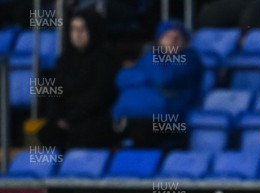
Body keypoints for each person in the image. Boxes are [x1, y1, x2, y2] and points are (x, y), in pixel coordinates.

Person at [113, 19, 203, 149]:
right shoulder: (155, 57)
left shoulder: (189, 59)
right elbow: (122, 78)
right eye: (167, 36)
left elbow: (164, 78)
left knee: (143, 131)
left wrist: (150, 62)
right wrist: (149, 78)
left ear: (186, 42)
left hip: (176, 122)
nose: (172, 41)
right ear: (160, 39)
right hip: (143, 115)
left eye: (177, 37)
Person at [38, 10, 118, 151]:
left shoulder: (106, 58)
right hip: (65, 118)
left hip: (93, 117)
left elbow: (99, 95)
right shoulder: (64, 60)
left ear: (93, 30)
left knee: (86, 133)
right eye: (74, 29)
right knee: (48, 132)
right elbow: (52, 92)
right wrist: (58, 117)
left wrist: (70, 118)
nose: (77, 34)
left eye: (83, 29)